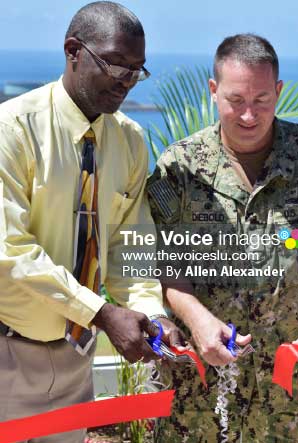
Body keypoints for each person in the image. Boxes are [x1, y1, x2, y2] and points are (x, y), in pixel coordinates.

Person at [148, 33, 298, 442]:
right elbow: (162, 265)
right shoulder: (180, 168)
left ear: (278, 90)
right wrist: (197, 320)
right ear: (213, 90)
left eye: (261, 100)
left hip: (290, 396)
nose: (248, 116)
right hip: (200, 397)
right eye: (235, 100)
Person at [0, 2, 184, 442]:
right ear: (73, 51)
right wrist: (100, 313)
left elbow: (129, 245)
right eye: (116, 64)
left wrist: (151, 316)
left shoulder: (130, 141)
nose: (126, 82)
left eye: (137, 71)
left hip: (74, 363)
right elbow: (11, 251)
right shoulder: (12, 130)